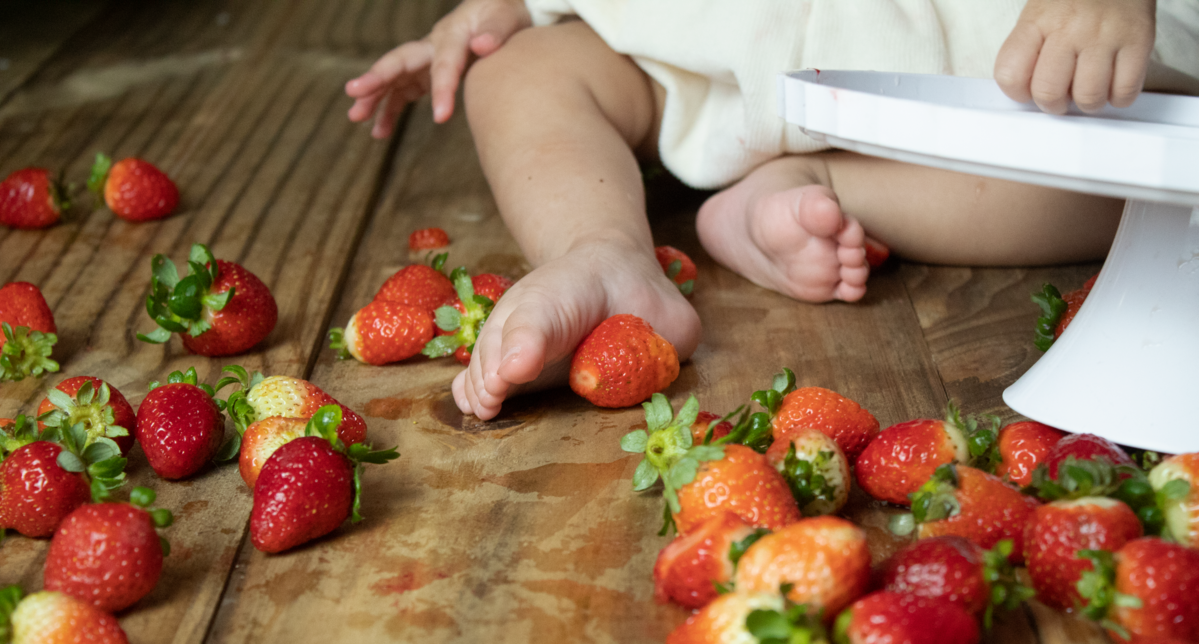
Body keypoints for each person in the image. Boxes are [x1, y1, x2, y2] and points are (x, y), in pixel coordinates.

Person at [346, 0, 1198, 421]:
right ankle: (600, 248)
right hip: (722, 38)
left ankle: (821, 186)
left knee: (1151, 165)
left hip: (983, 68)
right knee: (519, 69)